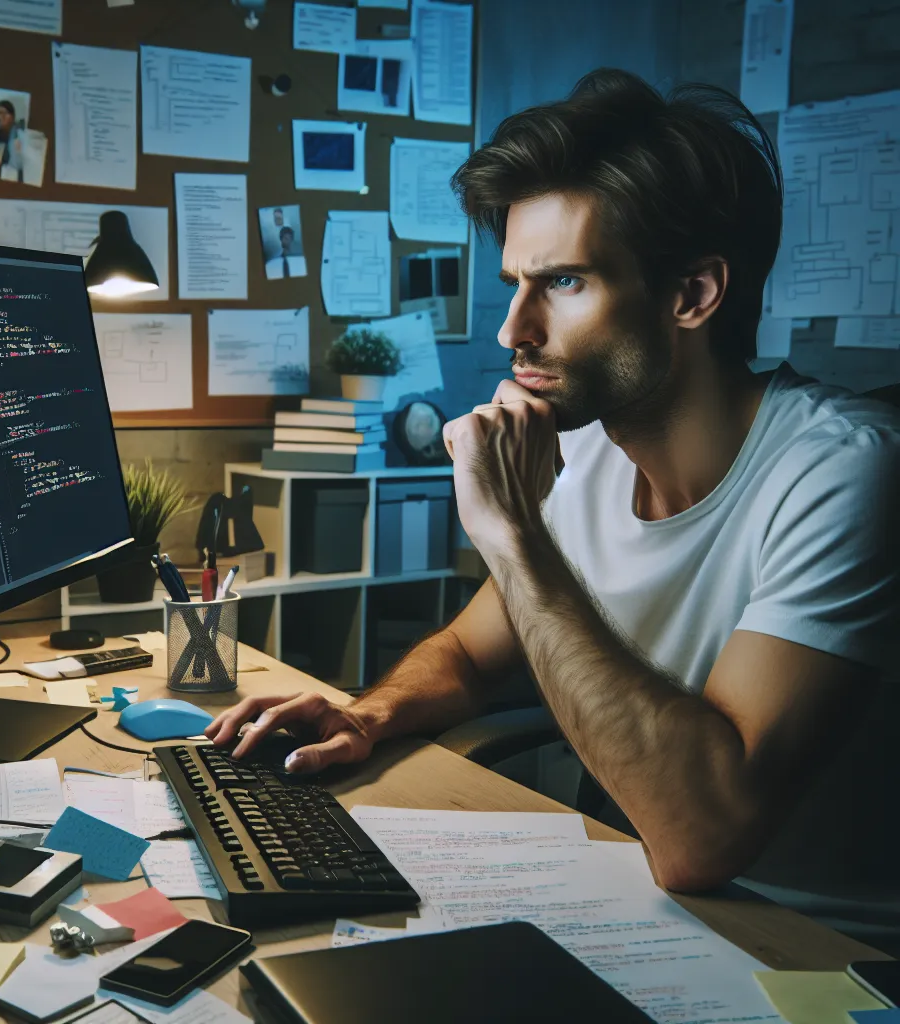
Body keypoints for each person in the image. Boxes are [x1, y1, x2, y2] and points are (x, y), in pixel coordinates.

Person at [208, 69, 900, 945]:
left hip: (811, 951)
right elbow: (466, 650)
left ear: (693, 294)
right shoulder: (587, 452)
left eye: (563, 283)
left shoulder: (842, 473)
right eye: (515, 283)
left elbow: (704, 838)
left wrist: (511, 532)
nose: (513, 331)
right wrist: (366, 714)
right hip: (633, 895)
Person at [0, 99, 23, 180]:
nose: (2, 117)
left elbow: (16, 162)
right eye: (0, 113)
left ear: (12, 116)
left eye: (6, 113)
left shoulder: (17, 133)